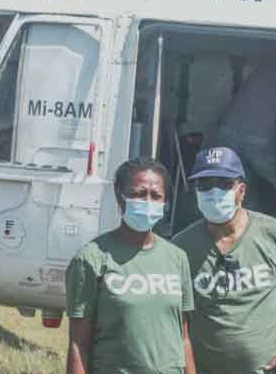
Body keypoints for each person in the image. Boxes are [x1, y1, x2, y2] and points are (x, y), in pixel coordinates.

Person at [173, 147, 276, 374]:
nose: (213, 191)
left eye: (223, 183)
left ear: (241, 190)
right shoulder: (181, 247)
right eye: (205, 184)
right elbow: (177, 320)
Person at [65, 158, 197, 374]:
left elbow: (183, 339)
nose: (147, 201)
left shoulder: (177, 258)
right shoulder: (91, 259)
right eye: (138, 194)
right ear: (120, 196)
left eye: (156, 196)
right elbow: (79, 344)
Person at [216, 47, 276, 216]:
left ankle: (247, 227)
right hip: (259, 139)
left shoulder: (259, 74)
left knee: (241, 189)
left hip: (227, 131)